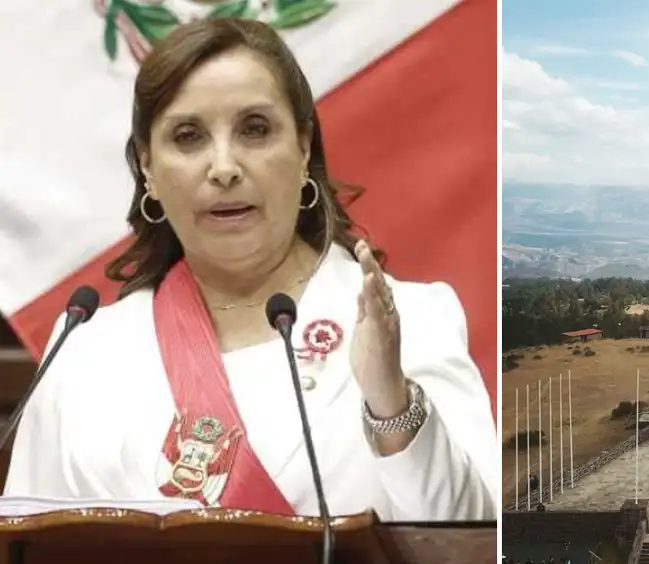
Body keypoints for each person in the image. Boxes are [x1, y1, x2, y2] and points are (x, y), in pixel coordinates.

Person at [3, 19, 497, 522]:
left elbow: (472, 547)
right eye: (188, 136)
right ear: (148, 166)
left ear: (303, 147)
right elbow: (24, 555)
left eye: (254, 130)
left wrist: (393, 408)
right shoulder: (85, 350)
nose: (223, 166)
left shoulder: (410, 320)